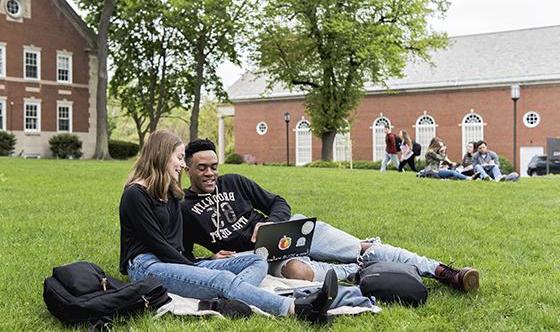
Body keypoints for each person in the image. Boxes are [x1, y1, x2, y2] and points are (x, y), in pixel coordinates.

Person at [181, 138, 481, 292]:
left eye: (214, 166)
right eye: (202, 168)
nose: (210, 173)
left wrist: (269, 222)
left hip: (288, 231)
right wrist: (211, 259)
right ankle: (360, 272)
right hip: (257, 258)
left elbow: (278, 203)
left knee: (360, 247)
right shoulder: (184, 208)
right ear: (188, 169)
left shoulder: (235, 181)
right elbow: (181, 256)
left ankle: (443, 272)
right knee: (301, 273)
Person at [119, 130, 338, 321]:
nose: (183, 164)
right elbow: (156, 244)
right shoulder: (135, 194)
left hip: (174, 261)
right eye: (178, 157)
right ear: (161, 156)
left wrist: (206, 261)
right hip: (146, 266)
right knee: (222, 279)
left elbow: (176, 245)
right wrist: (196, 267)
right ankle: (298, 308)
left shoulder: (171, 193)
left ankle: (229, 299)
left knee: (256, 260)